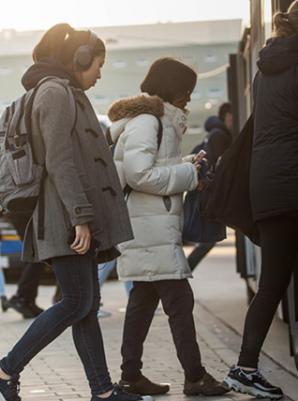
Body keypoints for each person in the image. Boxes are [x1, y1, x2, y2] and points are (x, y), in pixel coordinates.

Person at [0, 24, 145, 401]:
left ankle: (102, 390)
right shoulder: (54, 92)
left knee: (85, 303)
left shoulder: (63, 90)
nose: (100, 73)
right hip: (63, 215)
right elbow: (59, 160)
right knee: (75, 301)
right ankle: (5, 369)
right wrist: (80, 216)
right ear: (79, 58)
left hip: (68, 212)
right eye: (98, 64)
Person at [108, 58, 228, 398]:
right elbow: (139, 174)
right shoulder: (148, 121)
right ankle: (195, 376)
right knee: (179, 301)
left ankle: (131, 376)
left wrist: (189, 163)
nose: (188, 97)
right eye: (186, 90)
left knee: (143, 301)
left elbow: (154, 167)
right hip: (149, 227)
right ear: (171, 87)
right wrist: (189, 175)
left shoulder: (153, 120)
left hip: (149, 225)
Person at [221, 2, 298, 399]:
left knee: (273, 280)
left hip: (269, 187)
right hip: (296, 186)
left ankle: (246, 366)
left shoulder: (263, 71)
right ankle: (245, 367)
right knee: (274, 281)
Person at [184, 103, 233, 271]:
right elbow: (218, 165)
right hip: (212, 192)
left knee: (208, 239)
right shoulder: (219, 135)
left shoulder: (214, 133)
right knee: (207, 239)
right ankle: (185, 269)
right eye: (232, 115)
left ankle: (185, 269)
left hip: (208, 190)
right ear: (226, 115)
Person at [2, 211, 46, 319]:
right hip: (22, 210)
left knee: (33, 254)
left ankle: (28, 301)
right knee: (37, 255)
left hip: (23, 211)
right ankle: (21, 298)